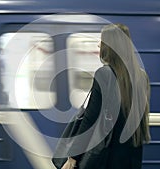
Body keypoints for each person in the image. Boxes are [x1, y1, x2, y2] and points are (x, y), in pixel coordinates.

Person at [61, 23, 151, 169]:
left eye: (102, 41)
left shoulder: (104, 74)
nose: (98, 45)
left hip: (106, 158)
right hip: (131, 158)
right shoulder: (141, 76)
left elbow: (90, 119)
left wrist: (72, 157)